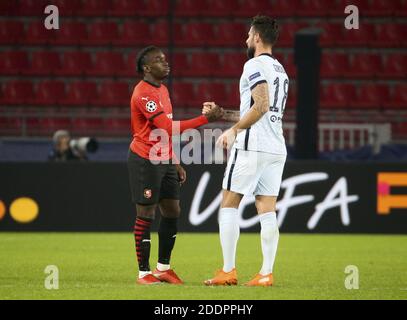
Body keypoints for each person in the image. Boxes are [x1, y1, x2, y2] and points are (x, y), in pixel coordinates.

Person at [203, 15, 289, 287]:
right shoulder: (281, 71)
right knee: (267, 208)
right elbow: (259, 111)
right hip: (275, 147)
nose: (246, 39)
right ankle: (266, 273)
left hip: (252, 145)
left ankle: (228, 270)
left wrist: (234, 130)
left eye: (249, 35)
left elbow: (260, 106)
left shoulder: (253, 64)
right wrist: (223, 115)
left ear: (258, 38)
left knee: (229, 203)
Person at [128, 46, 223, 285]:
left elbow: (165, 134)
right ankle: (143, 273)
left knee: (172, 211)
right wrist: (205, 120)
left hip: (164, 158)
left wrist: (175, 161)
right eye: (159, 60)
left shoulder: (163, 90)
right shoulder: (143, 93)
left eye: (165, 59)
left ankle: (163, 268)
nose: (166, 63)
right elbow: (167, 128)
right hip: (145, 159)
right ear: (147, 68)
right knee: (146, 213)